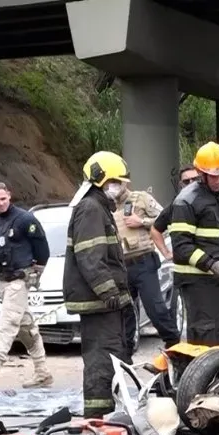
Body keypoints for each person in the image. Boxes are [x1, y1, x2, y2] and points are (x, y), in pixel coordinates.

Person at [63, 151, 134, 419]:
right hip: (98, 301)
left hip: (102, 301)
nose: (122, 188)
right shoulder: (91, 209)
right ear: (102, 181)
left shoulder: (97, 207)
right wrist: (108, 290)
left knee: (112, 355)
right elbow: (90, 257)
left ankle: (106, 413)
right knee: (101, 358)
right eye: (118, 182)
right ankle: (98, 418)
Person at [0, 182, 53, 392]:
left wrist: (38, 270)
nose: (1, 203)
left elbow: (42, 248)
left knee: (7, 325)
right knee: (26, 327)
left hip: (19, 280)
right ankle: (43, 372)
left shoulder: (25, 219)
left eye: (3, 198)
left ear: (9, 195)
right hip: (2, 280)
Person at [168, 141, 219, 346]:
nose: (218, 180)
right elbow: (182, 246)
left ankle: (214, 376)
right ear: (202, 173)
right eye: (214, 175)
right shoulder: (187, 201)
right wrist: (211, 264)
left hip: (216, 281)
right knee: (204, 335)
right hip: (197, 281)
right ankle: (199, 377)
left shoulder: (218, 198)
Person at [110, 182, 181, 354]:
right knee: (125, 312)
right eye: (110, 182)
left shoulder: (141, 198)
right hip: (121, 266)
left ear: (125, 182)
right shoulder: (106, 207)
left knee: (155, 308)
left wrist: (141, 221)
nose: (113, 187)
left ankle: (174, 345)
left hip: (143, 262)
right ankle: (125, 354)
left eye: (117, 182)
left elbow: (166, 218)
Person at [152, 164, 200, 261]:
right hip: (185, 267)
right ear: (181, 184)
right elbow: (155, 230)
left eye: (195, 179)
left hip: (211, 264)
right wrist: (166, 253)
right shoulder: (175, 206)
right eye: (187, 181)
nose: (191, 184)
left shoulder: (213, 201)